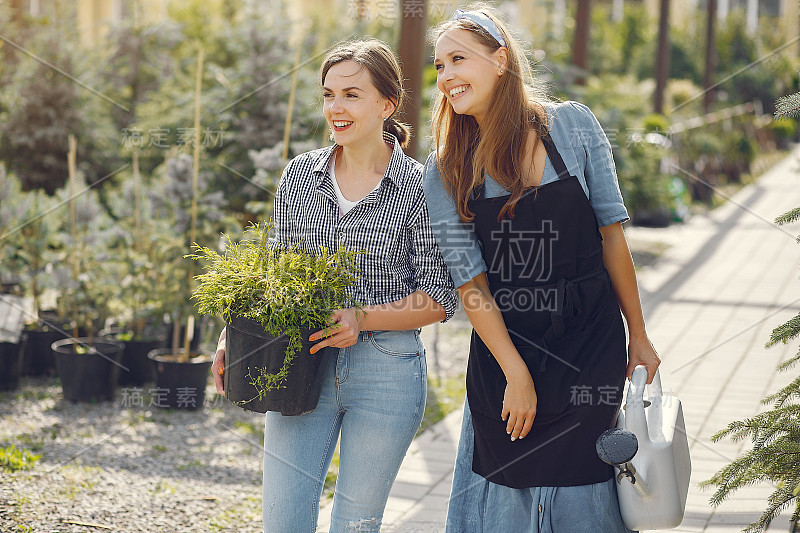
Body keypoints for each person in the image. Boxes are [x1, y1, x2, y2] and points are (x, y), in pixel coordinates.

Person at [423, 6, 661, 532]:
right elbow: (471, 282)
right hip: (506, 351)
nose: (445, 77)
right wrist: (516, 374)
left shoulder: (572, 126)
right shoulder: (445, 168)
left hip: (590, 346)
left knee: (587, 494)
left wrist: (639, 336)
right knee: (507, 495)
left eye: (457, 59)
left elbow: (611, 236)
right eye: (438, 66)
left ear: (500, 60)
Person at [212, 39, 458, 533]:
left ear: (387, 105)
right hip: (298, 359)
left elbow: (439, 297)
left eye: (351, 94)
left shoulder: (422, 186)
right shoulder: (301, 176)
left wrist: (362, 319)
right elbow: (275, 274)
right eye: (328, 94)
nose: (335, 108)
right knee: (282, 521)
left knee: (355, 524)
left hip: (385, 369)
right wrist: (230, 337)